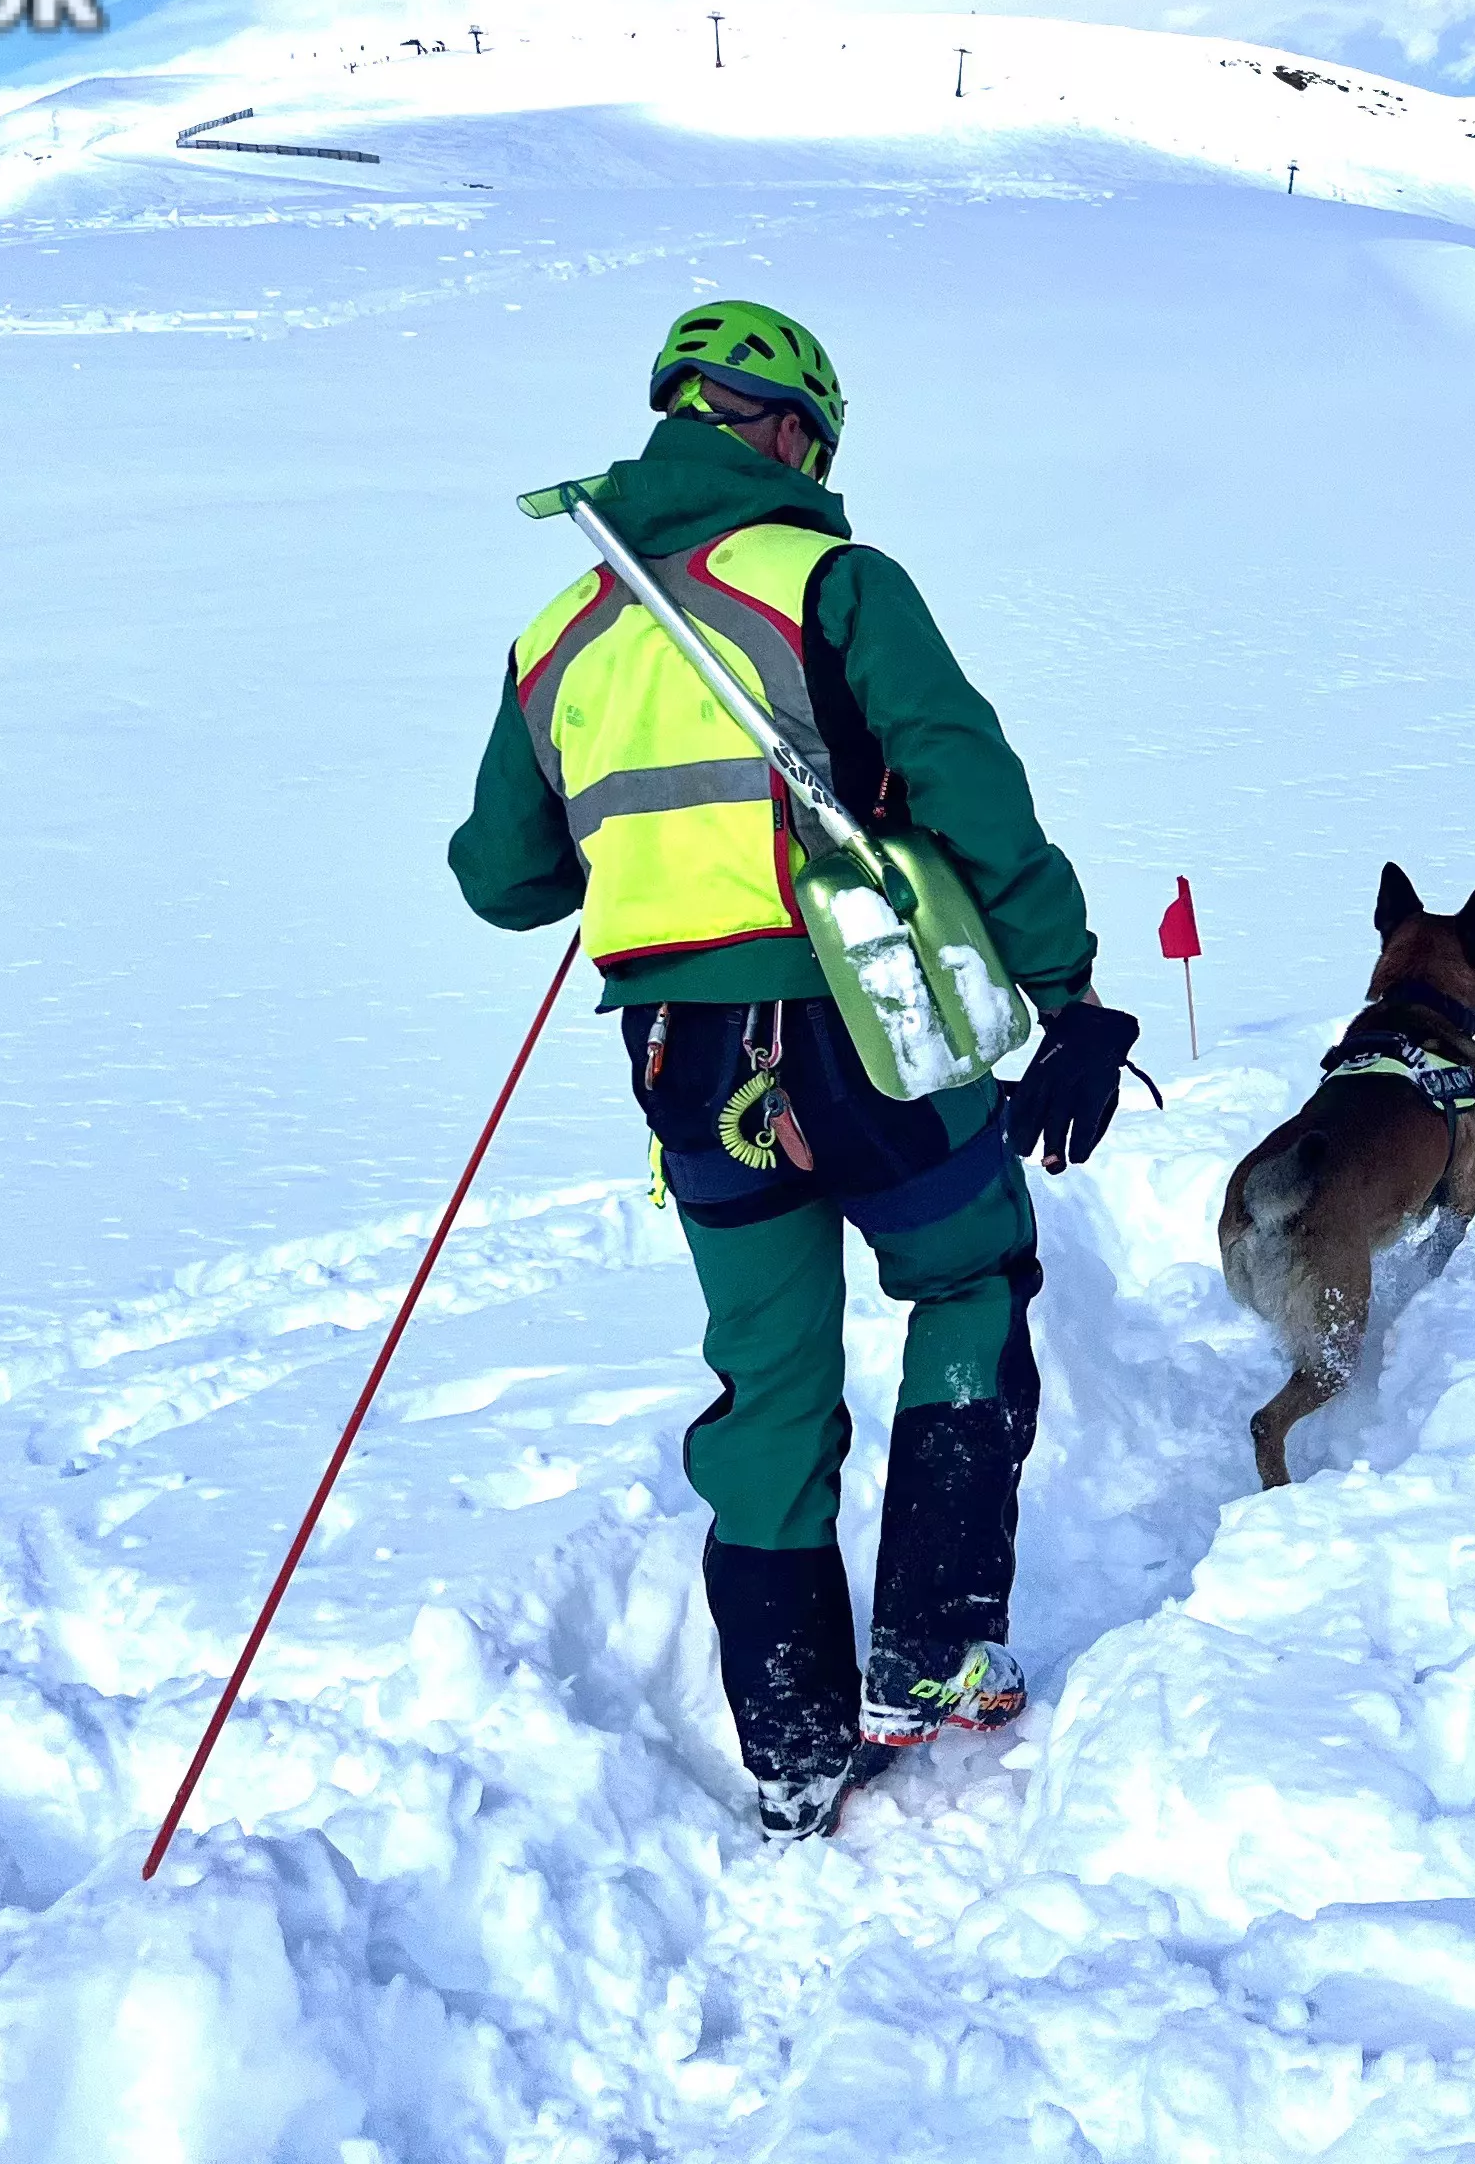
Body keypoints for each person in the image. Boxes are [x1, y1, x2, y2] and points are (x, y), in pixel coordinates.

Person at [448, 299, 1143, 1838]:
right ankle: (935, 1645)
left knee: (766, 1383)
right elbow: (969, 778)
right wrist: (1068, 988)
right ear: (782, 429)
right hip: (865, 1024)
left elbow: (503, 882)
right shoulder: (830, 581)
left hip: (689, 1067)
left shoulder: (556, 638)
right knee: (966, 1279)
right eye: (818, 443)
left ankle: (792, 1743)